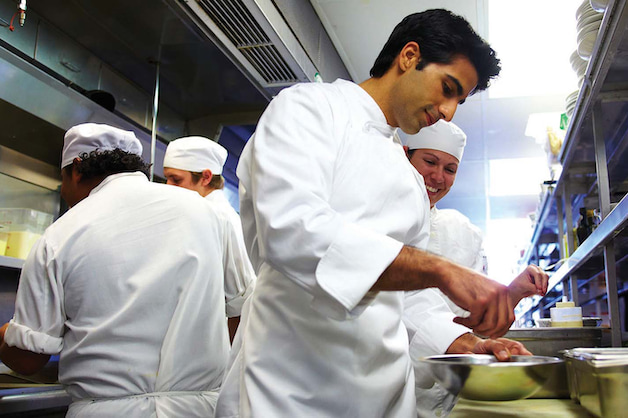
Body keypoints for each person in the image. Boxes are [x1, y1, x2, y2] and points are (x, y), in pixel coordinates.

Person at [216, 9, 546, 418]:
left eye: (458, 100)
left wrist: (465, 344)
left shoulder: (405, 177)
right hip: (289, 390)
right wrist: (442, 269)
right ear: (409, 56)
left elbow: (409, 302)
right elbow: (292, 230)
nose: (448, 111)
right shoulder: (310, 108)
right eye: (448, 88)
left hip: (385, 398)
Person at [0, 123, 254, 417]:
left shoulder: (60, 235)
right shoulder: (208, 213)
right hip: (200, 409)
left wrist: (9, 336)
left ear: (77, 168)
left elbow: (29, 359)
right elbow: (240, 312)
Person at [402, 120, 547, 417]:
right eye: (429, 162)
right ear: (405, 156)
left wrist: (511, 294)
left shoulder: (462, 231)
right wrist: (464, 343)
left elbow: (472, 320)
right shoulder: (380, 219)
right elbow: (398, 302)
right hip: (393, 381)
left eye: (450, 169)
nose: (437, 176)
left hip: (450, 390)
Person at [162, 136, 256, 342]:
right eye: (166, 178)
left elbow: (240, 301)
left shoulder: (221, 218)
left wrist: (230, 363)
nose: (168, 186)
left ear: (205, 177)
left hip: (207, 344)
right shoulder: (192, 213)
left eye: (176, 180)